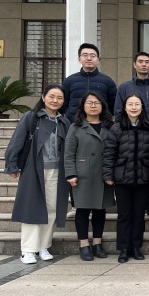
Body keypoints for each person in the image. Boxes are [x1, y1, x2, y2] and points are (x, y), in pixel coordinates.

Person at [4, 84, 71, 264]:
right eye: (51, 96)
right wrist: (12, 164)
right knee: (31, 208)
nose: (55, 100)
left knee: (52, 209)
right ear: (43, 97)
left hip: (57, 171)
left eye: (59, 98)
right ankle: (28, 250)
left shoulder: (64, 122)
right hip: (34, 169)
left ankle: (43, 246)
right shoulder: (31, 117)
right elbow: (17, 141)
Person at [103, 93, 149, 263]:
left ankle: (136, 247)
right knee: (124, 215)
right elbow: (109, 153)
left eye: (137, 104)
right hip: (122, 179)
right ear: (125, 108)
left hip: (143, 178)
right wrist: (108, 174)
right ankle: (124, 249)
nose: (133, 107)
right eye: (130, 104)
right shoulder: (116, 128)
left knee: (139, 215)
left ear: (142, 107)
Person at [64, 92, 116, 261]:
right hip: (82, 174)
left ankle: (98, 243)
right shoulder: (76, 127)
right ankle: (84, 244)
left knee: (100, 210)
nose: (93, 106)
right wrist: (71, 173)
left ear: (102, 106)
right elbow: (68, 153)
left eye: (97, 102)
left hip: (103, 174)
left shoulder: (110, 126)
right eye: (89, 102)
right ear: (83, 106)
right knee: (82, 210)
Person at [114, 51, 149, 217]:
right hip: (128, 136)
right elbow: (118, 111)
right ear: (134, 65)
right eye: (140, 61)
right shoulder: (124, 87)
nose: (144, 64)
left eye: (147, 62)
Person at [61, 43, 117, 122]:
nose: (89, 58)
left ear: (98, 60)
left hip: (100, 124)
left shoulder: (108, 81)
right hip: (74, 123)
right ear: (79, 59)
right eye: (85, 55)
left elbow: (113, 105)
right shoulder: (69, 81)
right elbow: (64, 104)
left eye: (93, 56)